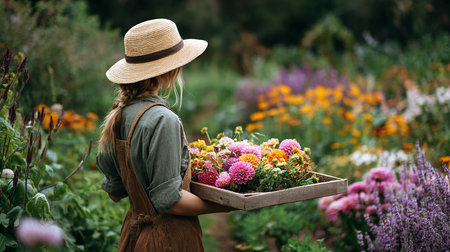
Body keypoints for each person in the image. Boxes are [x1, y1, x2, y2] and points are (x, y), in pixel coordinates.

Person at [96, 18, 233, 252]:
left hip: (133, 237)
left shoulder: (118, 115)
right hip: (169, 240)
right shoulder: (163, 120)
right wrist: (227, 204)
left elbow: (116, 192)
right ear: (169, 70)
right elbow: (170, 201)